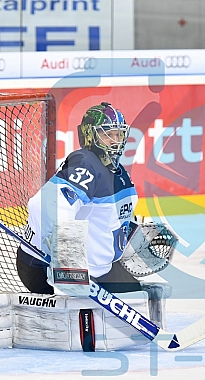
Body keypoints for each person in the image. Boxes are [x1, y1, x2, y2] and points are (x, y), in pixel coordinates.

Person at [16, 102, 142, 295]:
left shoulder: (118, 172)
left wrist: (131, 232)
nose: (115, 141)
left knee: (136, 293)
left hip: (97, 270)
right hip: (44, 268)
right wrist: (67, 264)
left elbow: (108, 218)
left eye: (119, 134)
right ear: (90, 135)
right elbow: (45, 205)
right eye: (107, 134)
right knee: (129, 300)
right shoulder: (85, 162)